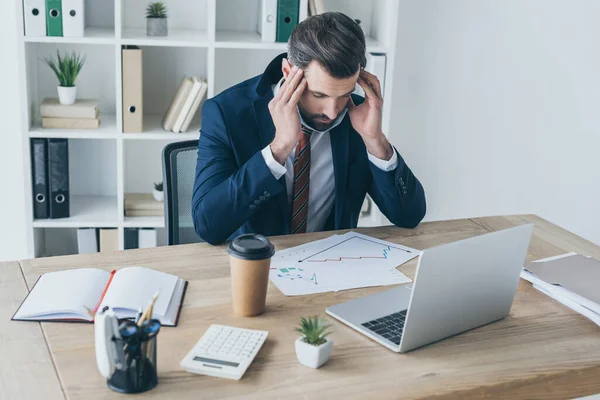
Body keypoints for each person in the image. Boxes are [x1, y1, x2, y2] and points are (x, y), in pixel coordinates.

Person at [192, 12, 426, 245]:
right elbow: (208, 226)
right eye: (319, 95)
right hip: (253, 267)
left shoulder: (357, 118)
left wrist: (376, 142)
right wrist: (279, 149)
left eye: (344, 94)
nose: (333, 112)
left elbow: (409, 216)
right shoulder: (226, 113)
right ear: (289, 72)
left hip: (329, 267)